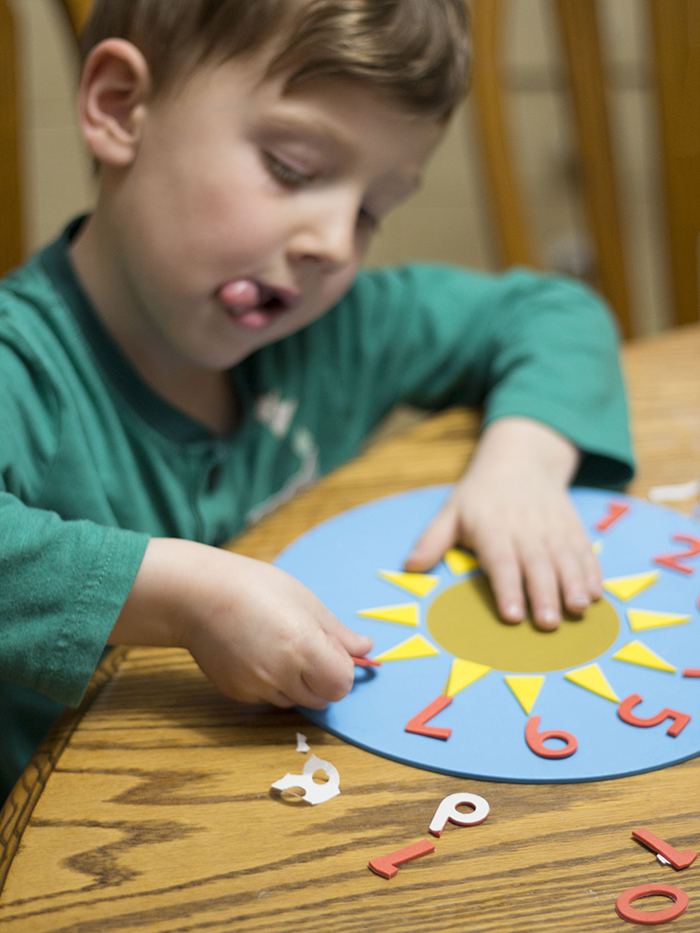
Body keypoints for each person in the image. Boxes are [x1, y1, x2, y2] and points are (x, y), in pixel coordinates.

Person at [0, 0, 633, 802]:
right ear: (122, 106)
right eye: (292, 168)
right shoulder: (20, 366)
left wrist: (522, 466)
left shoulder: (332, 331)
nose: (335, 244)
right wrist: (183, 597)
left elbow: (553, 311)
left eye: (373, 209)